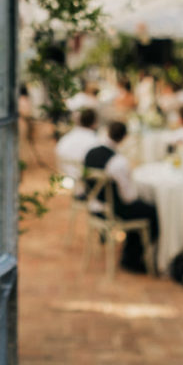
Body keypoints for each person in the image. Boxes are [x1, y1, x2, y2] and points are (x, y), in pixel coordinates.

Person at [82, 121, 158, 272]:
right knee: (152, 212)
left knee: (140, 208)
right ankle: (134, 258)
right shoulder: (118, 161)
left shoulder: (90, 152)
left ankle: (130, 254)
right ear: (124, 138)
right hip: (111, 211)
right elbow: (128, 197)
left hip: (94, 206)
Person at [55, 108, 101, 191]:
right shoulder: (95, 141)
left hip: (68, 174)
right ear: (94, 123)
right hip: (86, 180)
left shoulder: (66, 138)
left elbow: (58, 152)